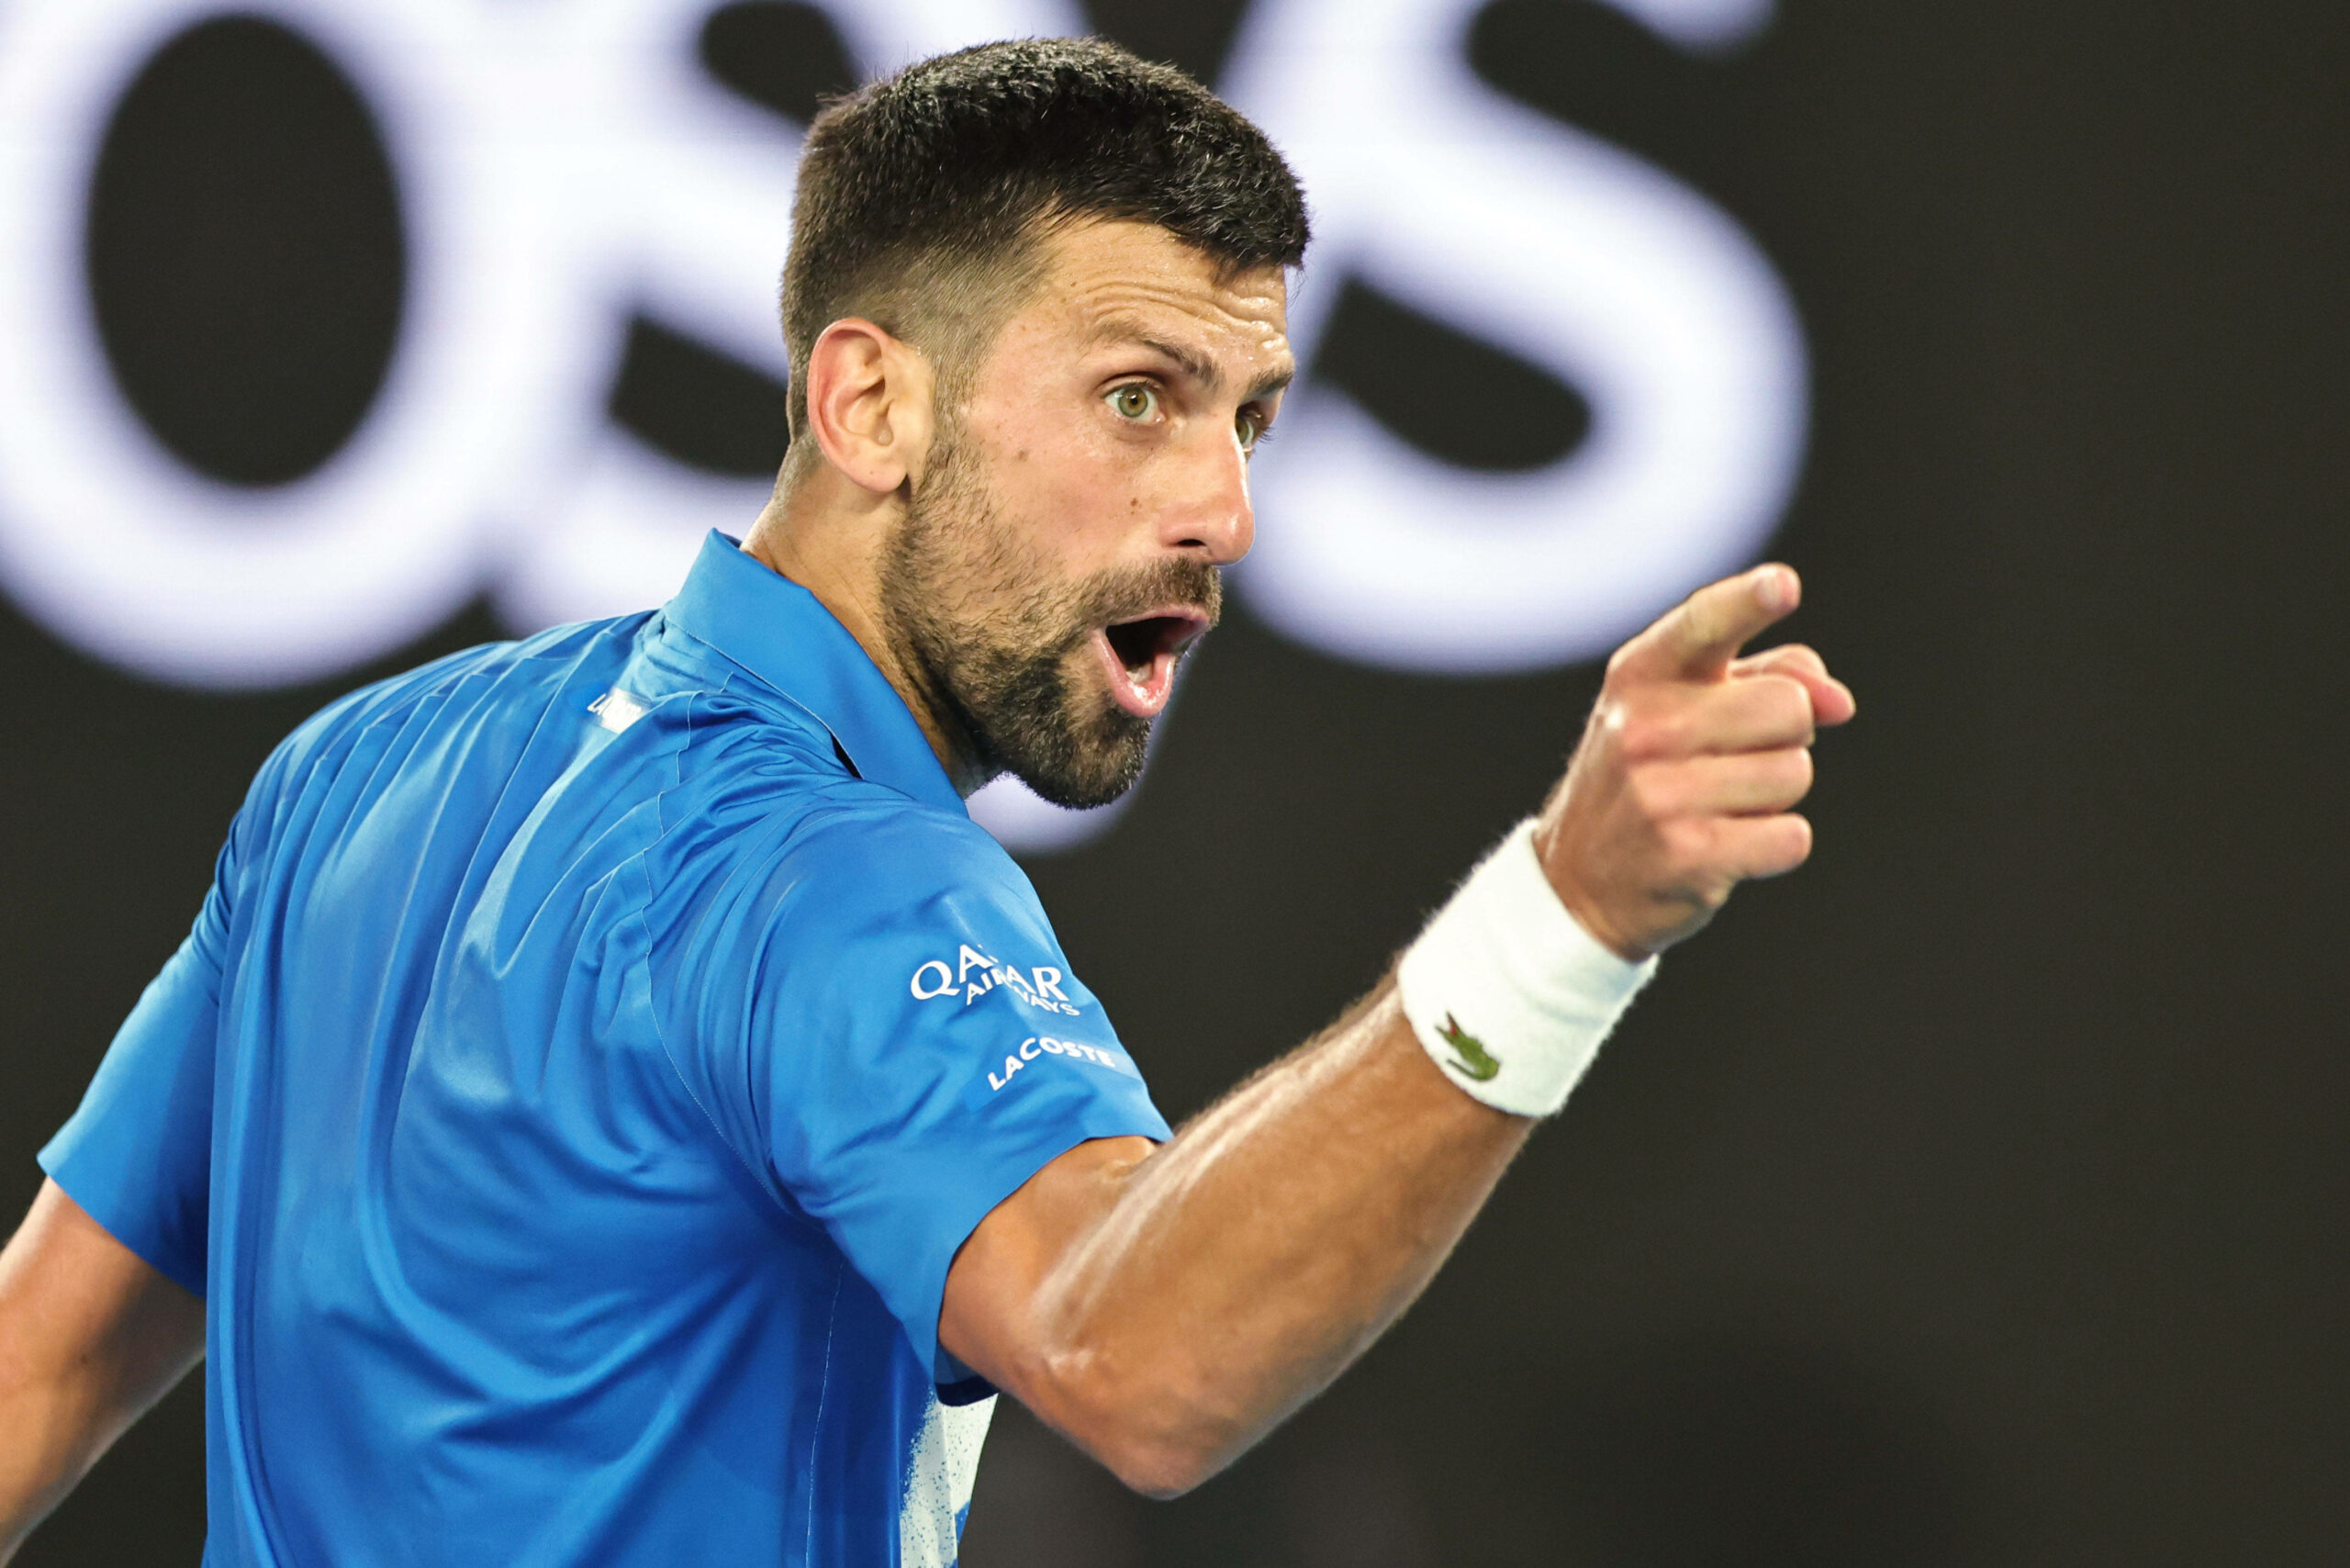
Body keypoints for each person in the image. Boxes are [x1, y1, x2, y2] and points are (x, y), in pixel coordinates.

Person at [0, 36, 1853, 1568]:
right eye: (1140, 396)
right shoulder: (832, 879)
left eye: (1249, 413)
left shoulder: (354, 772)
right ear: (869, 403)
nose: (1222, 507)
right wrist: (1562, 918)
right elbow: (1134, 1357)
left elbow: (39, 1364)